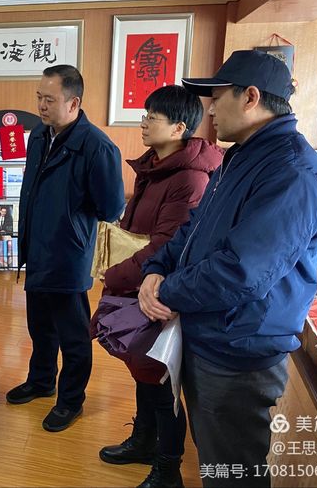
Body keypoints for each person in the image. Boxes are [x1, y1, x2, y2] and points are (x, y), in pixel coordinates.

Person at [138, 50, 317, 487]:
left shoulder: (292, 172)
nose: (208, 109)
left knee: (233, 472)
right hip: (211, 333)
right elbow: (193, 229)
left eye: (217, 97)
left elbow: (242, 272)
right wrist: (156, 268)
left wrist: (165, 291)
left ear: (250, 97)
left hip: (239, 350)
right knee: (215, 459)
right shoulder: (241, 155)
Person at [98, 85, 223, 488]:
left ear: (179, 128)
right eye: (145, 114)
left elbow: (166, 246)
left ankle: (168, 469)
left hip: (159, 294)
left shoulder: (189, 178)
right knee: (143, 372)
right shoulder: (157, 166)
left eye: (153, 117)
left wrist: (115, 274)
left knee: (161, 383)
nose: (143, 123)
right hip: (137, 285)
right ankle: (143, 441)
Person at [6, 64, 125, 432]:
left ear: (74, 103)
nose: (41, 106)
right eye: (39, 97)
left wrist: (71, 219)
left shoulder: (97, 147)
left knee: (73, 337)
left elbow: (111, 208)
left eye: (49, 99)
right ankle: (41, 380)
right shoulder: (39, 136)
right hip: (36, 249)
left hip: (68, 256)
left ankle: (71, 400)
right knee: (40, 327)